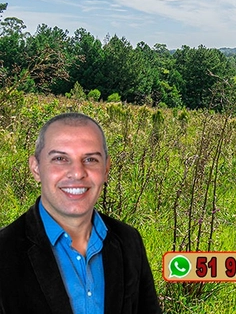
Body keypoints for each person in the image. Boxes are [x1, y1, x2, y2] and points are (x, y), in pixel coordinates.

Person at [0, 112, 162, 313]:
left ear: (106, 169)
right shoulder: (4, 251)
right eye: (60, 158)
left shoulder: (129, 241)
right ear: (36, 168)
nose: (77, 173)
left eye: (91, 159)